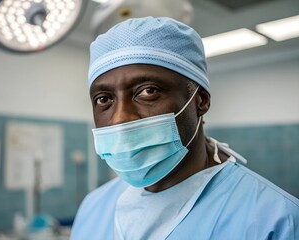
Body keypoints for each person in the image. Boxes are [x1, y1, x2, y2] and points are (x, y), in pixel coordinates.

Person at [70, 16, 299, 239]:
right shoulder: (94, 208)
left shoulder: (276, 221)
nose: (120, 118)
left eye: (148, 91)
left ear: (200, 100)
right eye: (103, 99)